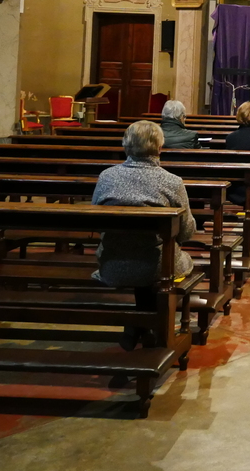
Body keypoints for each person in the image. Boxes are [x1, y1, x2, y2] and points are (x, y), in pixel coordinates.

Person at [92, 120, 196, 351]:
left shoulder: (107, 177)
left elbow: (98, 223)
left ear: (125, 146)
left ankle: (138, 325)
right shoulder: (172, 182)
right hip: (159, 267)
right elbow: (186, 232)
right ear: (159, 148)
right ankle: (145, 325)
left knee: (143, 256)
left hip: (113, 264)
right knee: (165, 260)